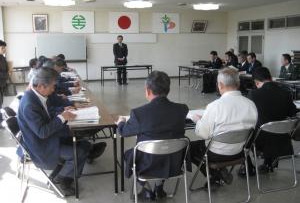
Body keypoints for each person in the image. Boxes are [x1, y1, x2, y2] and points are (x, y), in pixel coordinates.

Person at [17, 67, 105, 196]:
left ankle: (69, 168)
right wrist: (62, 117)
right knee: (79, 152)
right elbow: (42, 132)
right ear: (41, 86)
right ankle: (63, 179)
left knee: (83, 143)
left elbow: (47, 113)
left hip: (47, 138)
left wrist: (63, 110)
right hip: (41, 146)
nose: (54, 89)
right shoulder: (30, 104)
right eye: (52, 86)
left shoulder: (36, 95)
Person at [117, 71, 189, 201]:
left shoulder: (139, 114)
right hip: (174, 163)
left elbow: (124, 132)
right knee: (165, 150)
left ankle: (146, 188)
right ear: (168, 90)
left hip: (147, 165)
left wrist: (121, 122)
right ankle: (159, 187)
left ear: (148, 90)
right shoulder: (182, 109)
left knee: (128, 155)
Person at [190, 68, 257, 189]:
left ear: (220, 85)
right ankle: (218, 172)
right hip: (239, 151)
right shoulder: (250, 104)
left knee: (190, 148)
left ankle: (214, 174)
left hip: (216, 153)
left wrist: (198, 121)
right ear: (238, 84)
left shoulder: (215, 106)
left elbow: (203, 134)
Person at [248, 67, 297, 173]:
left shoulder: (254, 94)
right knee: (271, 124)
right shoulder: (285, 92)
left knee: (245, 132)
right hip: (283, 140)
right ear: (270, 78)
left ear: (256, 82)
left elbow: (247, 116)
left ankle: (248, 167)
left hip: (261, 141)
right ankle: (268, 162)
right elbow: (292, 112)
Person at [0, 40, 8, 127]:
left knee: (1, 102)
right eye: (2, 48)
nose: (4, 49)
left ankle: (1, 119)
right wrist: (7, 74)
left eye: (4, 48)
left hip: (1, 84)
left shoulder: (2, 57)